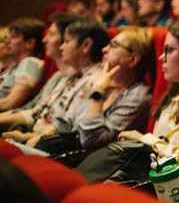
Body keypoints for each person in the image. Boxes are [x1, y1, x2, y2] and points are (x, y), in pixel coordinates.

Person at [75, 20, 179, 182]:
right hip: (153, 177)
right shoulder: (174, 95)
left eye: (169, 50)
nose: (162, 57)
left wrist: (145, 140)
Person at [13, 28, 153, 158]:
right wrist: (32, 137)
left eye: (113, 46)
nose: (104, 49)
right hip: (64, 151)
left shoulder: (137, 95)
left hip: (82, 161)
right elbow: (68, 122)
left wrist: (96, 93)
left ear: (133, 59)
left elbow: (92, 141)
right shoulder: (110, 86)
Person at [2, 19, 107, 146]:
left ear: (86, 45)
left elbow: (68, 128)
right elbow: (36, 112)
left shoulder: (95, 81)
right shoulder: (68, 74)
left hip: (50, 145)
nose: (62, 47)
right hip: (34, 135)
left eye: (67, 42)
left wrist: (26, 137)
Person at [0, 12, 81, 133]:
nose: (45, 40)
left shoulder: (30, 63)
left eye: (51, 34)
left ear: (67, 39)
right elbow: (34, 108)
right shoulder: (57, 76)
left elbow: (14, 106)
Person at [0, 18, 45, 112]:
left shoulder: (30, 63)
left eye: (13, 37)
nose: (7, 41)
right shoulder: (16, 66)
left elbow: (10, 104)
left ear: (30, 43)